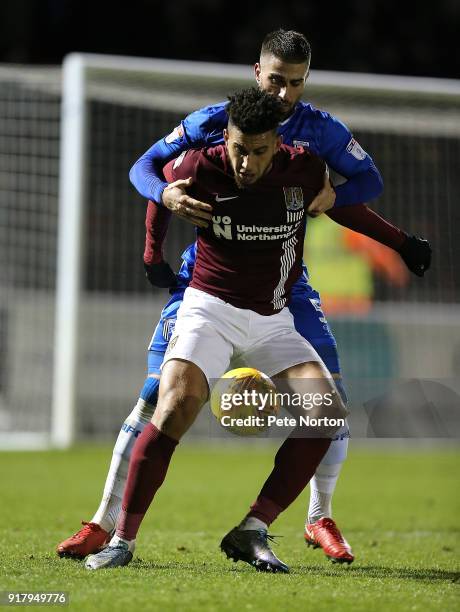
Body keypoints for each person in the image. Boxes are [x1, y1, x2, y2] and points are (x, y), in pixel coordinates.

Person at [56, 29, 431, 564]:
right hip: (207, 288)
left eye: (294, 84)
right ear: (257, 72)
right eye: (275, 80)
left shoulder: (314, 142)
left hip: (282, 291)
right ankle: (108, 526)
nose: (283, 95)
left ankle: (309, 517)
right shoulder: (211, 127)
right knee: (161, 398)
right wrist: (153, 244)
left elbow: (365, 185)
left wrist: (345, 203)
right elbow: (153, 170)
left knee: (330, 407)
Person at [84, 87, 348, 572]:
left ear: (278, 144)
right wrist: (154, 248)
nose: (247, 163)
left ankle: (253, 528)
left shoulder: (306, 171)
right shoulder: (198, 167)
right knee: (175, 404)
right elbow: (152, 182)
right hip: (210, 308)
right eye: (239, 149)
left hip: (273, 318)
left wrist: (381, 228)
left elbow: (352, 198)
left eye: (260, 151)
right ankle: (121, 539)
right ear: (225, 138)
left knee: (326, 416)